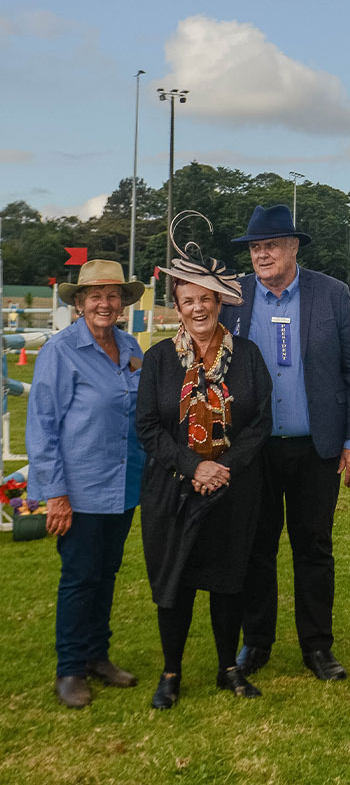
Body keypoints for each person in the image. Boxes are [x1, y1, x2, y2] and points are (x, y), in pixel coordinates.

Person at [220, 204, 350, 681]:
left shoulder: (332, 294)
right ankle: (256, 642)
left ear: (293, 247)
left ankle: (317, 647)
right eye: (255, 248)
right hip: (252, 449)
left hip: (315, 446)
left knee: (313, 548)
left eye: (270, 245)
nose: (261, 255)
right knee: (256, 548)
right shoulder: (233, 297)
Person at [137, 228, 273, 709]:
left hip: (234, 488)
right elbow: (148, 427)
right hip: (173, 489)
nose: (198, 308)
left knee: (228, 579)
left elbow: (260, 424)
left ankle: (227, 668)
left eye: (207, 299)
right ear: (177, 305)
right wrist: (196, 466)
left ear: (221, 302)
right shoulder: (156, 360)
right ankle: (171, 673)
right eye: (188, 300)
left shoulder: (249, 357)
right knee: (174, 581)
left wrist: (223, 468)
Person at [26, 260, 146, 709]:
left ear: (123, 302)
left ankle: (98, 655)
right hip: (79, 488)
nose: (104, 303)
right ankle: (71, 668)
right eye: (94, 296)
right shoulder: (60, 352)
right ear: (79, 303)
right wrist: (55, 493)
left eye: (112, 295)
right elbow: (42, 427)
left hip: (125, 483)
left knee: (106, 573)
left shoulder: (131, 344)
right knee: (79, 577)